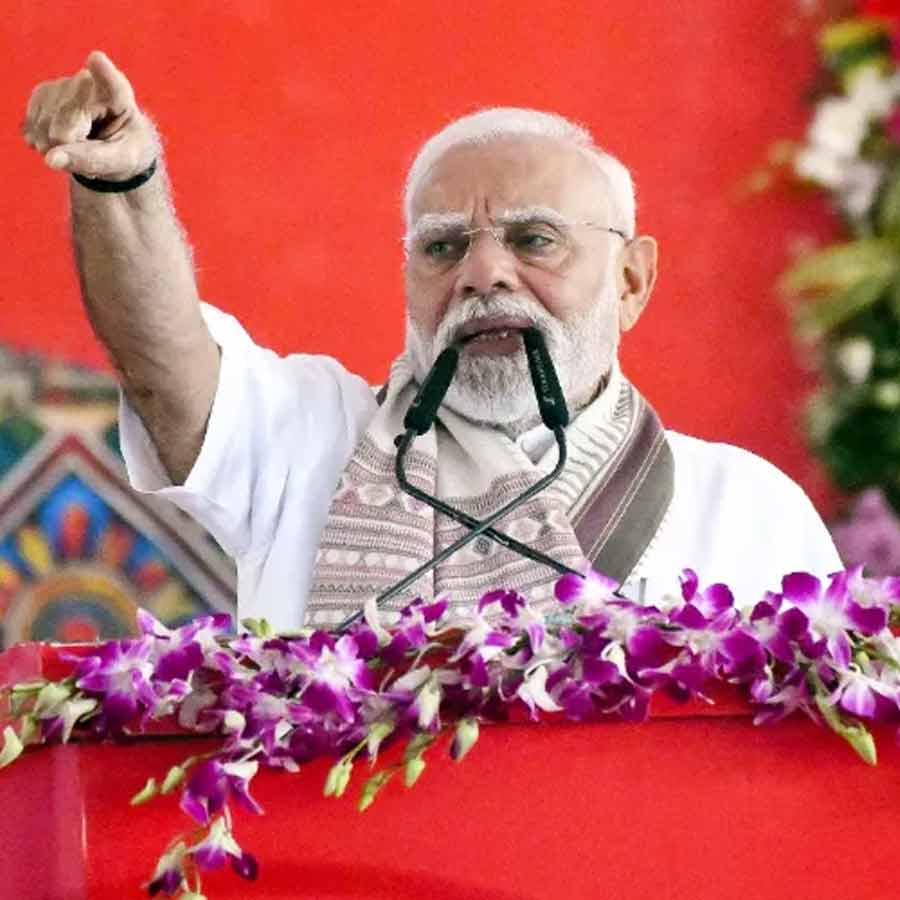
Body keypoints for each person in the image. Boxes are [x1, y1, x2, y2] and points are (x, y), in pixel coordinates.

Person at [22, 51, 842, 632]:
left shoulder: (750, 508)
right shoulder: (317, 442)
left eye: (535, 240)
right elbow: (163, 366)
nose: (484, 273)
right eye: (444, 247)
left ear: (631, 280)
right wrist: (119, 179)